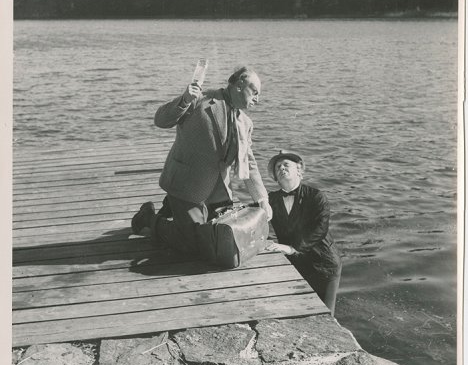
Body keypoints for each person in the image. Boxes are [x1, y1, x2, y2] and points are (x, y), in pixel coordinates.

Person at [131, 67, 272, 255]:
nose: (257, 99)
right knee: (195, 243)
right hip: (185, 185)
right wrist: (184, 100)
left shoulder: (246, 123)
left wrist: (262, 199)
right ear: (239, 85)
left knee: (222, 237)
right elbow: (161, 120)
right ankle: (147, 218)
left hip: (220, 193)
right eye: (254, 92)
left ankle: (170, 209)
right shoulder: (201, 99)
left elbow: (249, 163)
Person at [266, 150, 342, 316]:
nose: (281, 168)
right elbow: (252, 213)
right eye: (278, 167)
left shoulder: (316, 197)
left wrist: (292, 248)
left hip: (324, 264)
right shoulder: (270, 200)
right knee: (299, 312)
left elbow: (320, 229)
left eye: (286, 165)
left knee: (325, 315)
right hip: (296, 264)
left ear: (299, 171)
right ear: (275, 178)